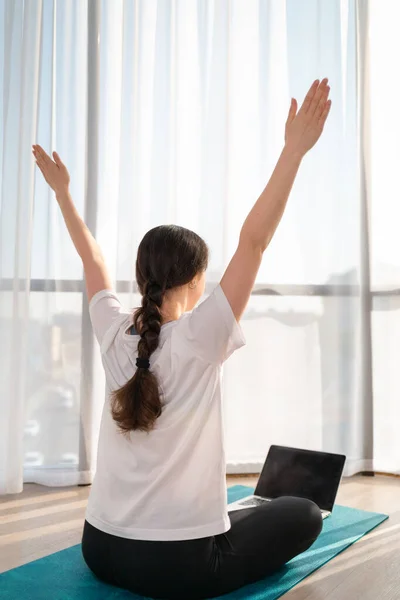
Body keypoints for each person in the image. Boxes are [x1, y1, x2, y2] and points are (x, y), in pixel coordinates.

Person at [33, 78, 331, 600]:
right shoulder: (202, 333)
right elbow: (255, 242)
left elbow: (91, 260)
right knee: (304, 514)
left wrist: (62, 193)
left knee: (256, 513)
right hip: (182, 568)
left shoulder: (113, 331)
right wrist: (293, 151)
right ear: (196, 281)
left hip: (99, 547)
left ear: (141, 273)